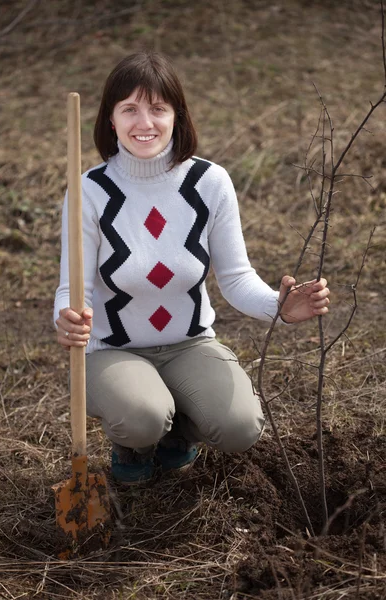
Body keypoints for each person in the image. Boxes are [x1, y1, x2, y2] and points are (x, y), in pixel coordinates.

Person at [54, 52, 330, 484]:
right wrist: (66, 318)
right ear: (111, 120)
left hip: (189, 344)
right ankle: (136, 441)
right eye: (129, 109)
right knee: (141, 416)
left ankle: (176, 432)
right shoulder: (90, 189)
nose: (144, 122)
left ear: (176, 116)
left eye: (158, 109)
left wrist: (279, 307)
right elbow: (74, 287)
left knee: (240, 426)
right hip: (113, 351)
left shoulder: (209, 182)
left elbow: (236, 279)